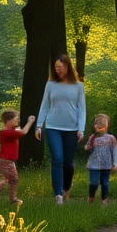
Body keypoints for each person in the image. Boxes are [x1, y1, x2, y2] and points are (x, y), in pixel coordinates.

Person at [36, 54, 86, 205]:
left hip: (71, 128)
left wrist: (81, 128)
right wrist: (39, 125)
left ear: (68, 67)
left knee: (68, 163)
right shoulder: (50, 84)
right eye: (56, 68)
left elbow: (82, 109)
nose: (58, 70)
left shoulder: (78, 86)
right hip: (52, 127)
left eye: (61, 68)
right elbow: (45, 105)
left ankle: (66, 188)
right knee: (57, 159)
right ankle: (58, 195)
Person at [0, 110, 35, 205]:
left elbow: (18, 130)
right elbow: (23, 132)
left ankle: (12, 199)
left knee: (13, 180)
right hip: (6, 160)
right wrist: (30, 121)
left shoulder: (7, 131)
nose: (17, 121)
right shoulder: (8, 132)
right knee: (6, 179)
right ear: (9, 121)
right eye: (16, 119)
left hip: (7, 160)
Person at [84, 113, 117, 206]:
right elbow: (87, 147)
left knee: (105, 183)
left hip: (106, 165)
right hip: (93, 165)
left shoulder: (111, 138)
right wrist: (87, 147)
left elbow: (114, 151)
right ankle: (91, 198)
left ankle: (104, 200)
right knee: (93, 183)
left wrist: (115, 164)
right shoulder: (92, 137)